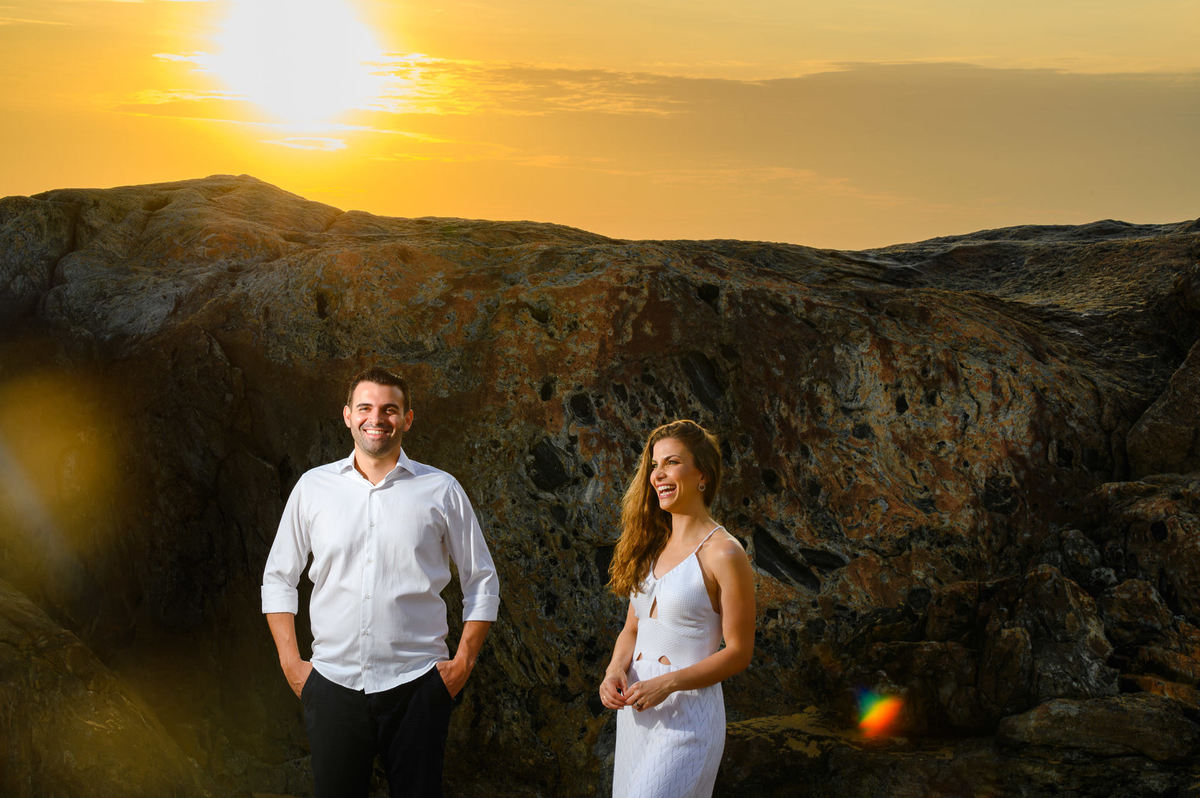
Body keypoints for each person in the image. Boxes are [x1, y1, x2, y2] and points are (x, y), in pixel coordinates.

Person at [261, 367, 500, 798]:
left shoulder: (441, 490)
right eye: (367, 408)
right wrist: (292, 666)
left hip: (417, 686)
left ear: (407, 419)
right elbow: (278, 577)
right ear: (348, 415)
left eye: (390, 409)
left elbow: (482, 581)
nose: (378, 418)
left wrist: (462, 664)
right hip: (332, 684)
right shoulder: (313, 488)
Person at [599, 419, 755, 798]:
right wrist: (615, 669)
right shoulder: (649, 547)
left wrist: (668, 683)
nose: (658, 474)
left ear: (702, 473)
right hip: (637, 713)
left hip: (688, 717)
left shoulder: (725, 552)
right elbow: (633, 629)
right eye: (654, 465)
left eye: (671, 462)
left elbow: (739, 652)